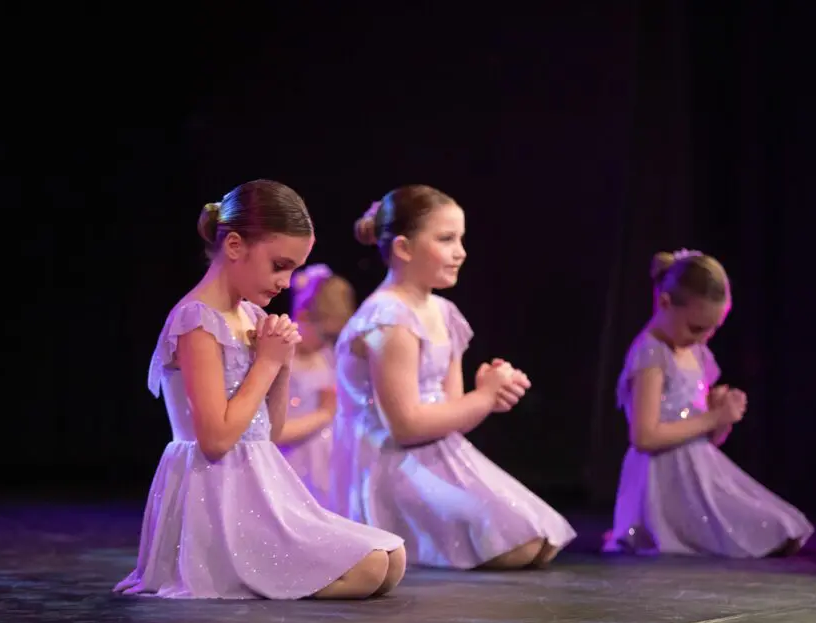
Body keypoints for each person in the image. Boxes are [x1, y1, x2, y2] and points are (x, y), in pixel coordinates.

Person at [115, 179, 406, 599]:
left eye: (293, 269)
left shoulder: (251, 315)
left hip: (261, 482)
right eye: (279, 265)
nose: (286, 282)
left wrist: (281, 365)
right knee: (370, 568)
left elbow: (270, 433)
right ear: (235, 246)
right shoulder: (196, 320)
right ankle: (252, 577)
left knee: (391, 558)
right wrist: (267, 362)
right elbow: (215, 440)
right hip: (216, 494)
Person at [329, 184, 577, 569]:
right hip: (390, 464)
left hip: (439, 453)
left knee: (541, 540)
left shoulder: (444, 313)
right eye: (446, 239)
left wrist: (488, 394)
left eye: (460, 239)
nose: (460, 252)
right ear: (404, 248)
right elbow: (405, 426)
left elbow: (452, 412)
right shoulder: (389, 319)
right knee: (518, 546)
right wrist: (483, 398)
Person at [603, 249, 814, 558]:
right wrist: (712, 418)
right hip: (663, 481)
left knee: (785, 528)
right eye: (696, 328)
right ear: (665, 303)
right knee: (769, 534)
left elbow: (707, 440)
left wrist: (721, 417)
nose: (703, 338)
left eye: (712, 329)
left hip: (700, 473)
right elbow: (644, 436)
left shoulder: (697, 353)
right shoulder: (651, 353)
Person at [274, 264, 355, 506]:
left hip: (328, 465)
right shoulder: (280, 360)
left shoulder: (327, 356)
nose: (326, 343)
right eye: (325, 334)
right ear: (303, 317)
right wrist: (324, 414)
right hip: (292, 467)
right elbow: (272, 433)